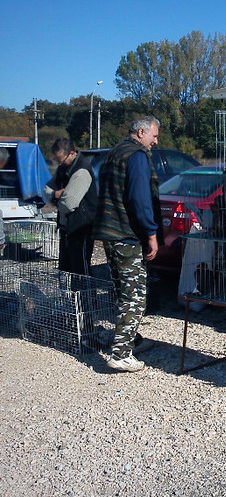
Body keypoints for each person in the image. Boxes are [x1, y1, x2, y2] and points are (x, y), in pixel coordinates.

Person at [94, 116, 164, 372]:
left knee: (121, 291)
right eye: (154, 136)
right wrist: (151, 232)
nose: (156, 142)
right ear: (141, 132)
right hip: (126, 234)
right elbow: (140, 197)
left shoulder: (113, 154)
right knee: (134, 296)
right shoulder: (136, 156)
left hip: (109, 233)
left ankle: (131, 339)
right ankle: (121, 353)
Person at [44, 139, 97, 276]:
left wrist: (58, 197)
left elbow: (69, 204)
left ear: (72, 153)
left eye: (61, 161)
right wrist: (56, 195)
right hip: (67, 227)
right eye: (57, 161)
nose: (59, 164)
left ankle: (87, 297)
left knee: (80, 270)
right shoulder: (64, 168)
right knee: (65, 268)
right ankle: (69, 297)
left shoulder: (82, 171)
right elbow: (47, 190)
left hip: (81, 226)